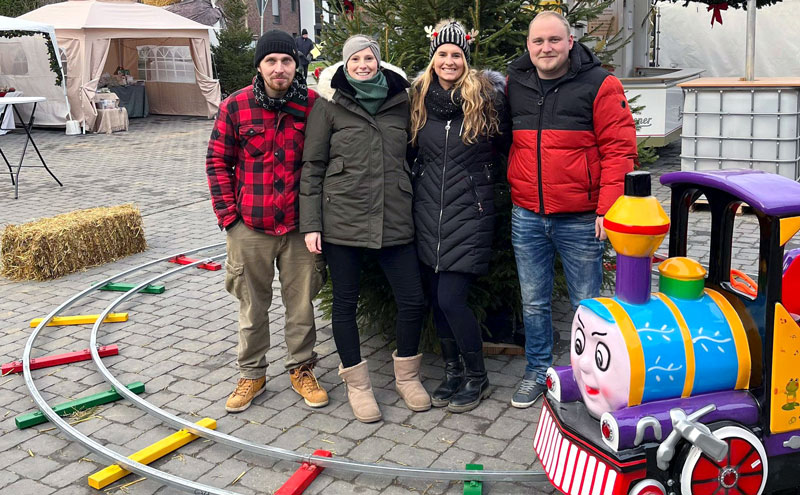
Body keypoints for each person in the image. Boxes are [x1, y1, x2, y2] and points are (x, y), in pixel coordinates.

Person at [506, 11, 637, 408]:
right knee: (533, 299)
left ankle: (588, 375)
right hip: (527, 213)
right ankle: (537, 370)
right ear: (528, 46)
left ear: (570, 41)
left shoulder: (600, 84)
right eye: (537, 42)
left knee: (586, 303)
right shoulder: (515, 83)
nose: (545, 48)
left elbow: (619, 150)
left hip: (581, 218)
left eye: (553, 40)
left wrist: (607, 210)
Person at [300, 35, 430, 423]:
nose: (362, 64)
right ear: (345, 64)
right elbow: (313, 167)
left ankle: (407, 378)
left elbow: (415, 152)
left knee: (412, 299)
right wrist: (311, 224)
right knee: (344, 303)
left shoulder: (402, 101)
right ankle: (358, 386)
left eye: (368, 58)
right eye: (355, 59)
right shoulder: (329, 105)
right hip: (342, 220)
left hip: (394, 217)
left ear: (378, 61)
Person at [206, 29, 328, 413]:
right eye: (271, 61)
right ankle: (252, 373)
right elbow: (217, 162)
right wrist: (230, 218)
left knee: (302, 305)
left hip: (298, 229)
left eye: (287, 61)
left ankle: (301, 367)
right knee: (251, 307)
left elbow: (324, 164)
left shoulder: (312, 106)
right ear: (259, 65)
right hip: (250, 228)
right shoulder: (235, 106)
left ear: (297, 65)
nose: (279, 68)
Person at [408, 20, 510, 413]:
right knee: (435, 299)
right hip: (427, 213)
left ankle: (477, 376)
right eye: (442, 55)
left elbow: (506, 149)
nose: (449, 61)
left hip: (470, 213)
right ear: (432, 60)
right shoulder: (419, 101)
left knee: (452, 299)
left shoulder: (486, 101)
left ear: (466, 59)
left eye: (456, 55)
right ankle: (452, 373)